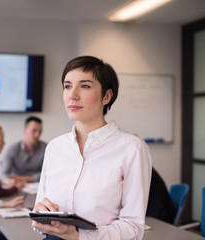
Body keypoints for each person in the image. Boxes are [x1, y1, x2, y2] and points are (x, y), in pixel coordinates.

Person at [31, 56, 152, 239]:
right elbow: (40, 216)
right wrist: (41, 216)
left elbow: (133, 227)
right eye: (67, 86)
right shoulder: (55, 148)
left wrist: (79, 236)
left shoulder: (132, 149)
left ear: (106, 96)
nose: (73, 95)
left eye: (85, 86)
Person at [0, 116, 47, 184]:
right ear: (25, 131)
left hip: (37, 187)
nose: (37, 135)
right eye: (34, 131)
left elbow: (47, 173)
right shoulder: (12, 149)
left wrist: (24, 179)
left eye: (40, 132)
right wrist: (10, 181)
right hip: (16, 185)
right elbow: (3, 174)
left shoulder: (45, 148)